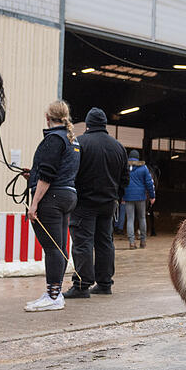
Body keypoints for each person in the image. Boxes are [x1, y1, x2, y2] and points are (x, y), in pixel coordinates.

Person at [63, 108, 128, 299]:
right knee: (104, 242)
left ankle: (82, 285)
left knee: (83, 243)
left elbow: (71, 172)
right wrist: (116, 196)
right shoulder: (118, 147)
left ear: (88, 124)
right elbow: (125, 178)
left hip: (84, 203)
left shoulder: (80, 143)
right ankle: (104, 283)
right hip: (108, 204)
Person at [24, 100, 80, 312]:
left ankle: (53, 295)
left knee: (53, 248)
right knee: (60, 246)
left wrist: (34, 202)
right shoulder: (71, 140)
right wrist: (33, 176)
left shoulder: (53, 140)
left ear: (48, 117)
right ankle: (54, 292)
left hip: (52, 197)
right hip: (68, 195)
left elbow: (47, 175)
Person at [124, 150, 155, 249]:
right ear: (138, 157)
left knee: (130, 219)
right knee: (142, 218)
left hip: (128, 197)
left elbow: (121, 181)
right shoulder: (143, 168)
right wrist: (152, 196)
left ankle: (132, 243)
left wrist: (121, 196)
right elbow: (149, 183)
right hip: (141, 197)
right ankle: (143, 241)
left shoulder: (125, 167)